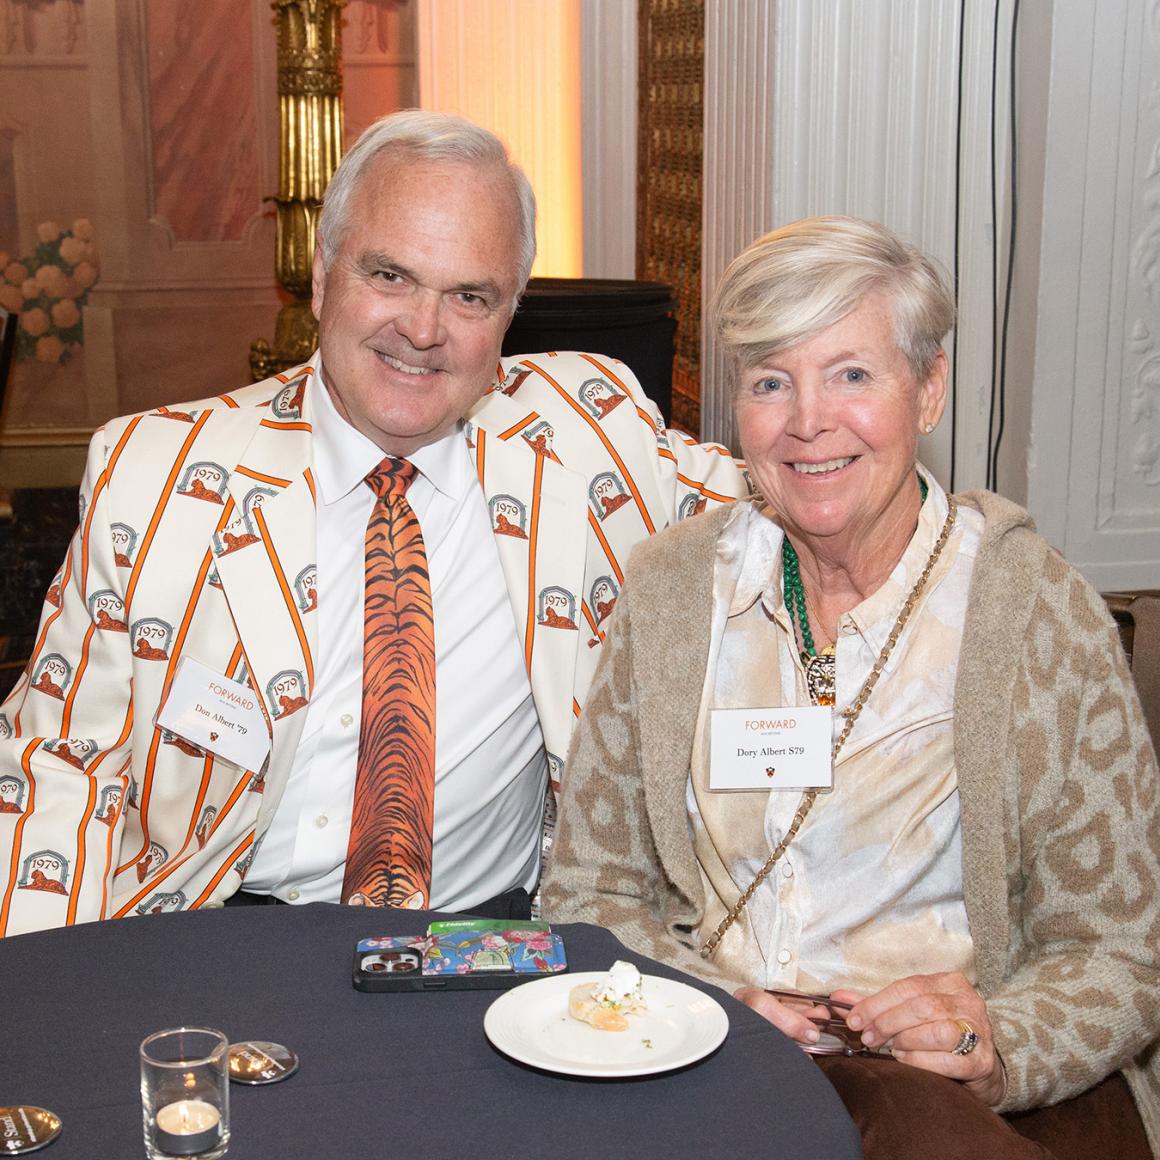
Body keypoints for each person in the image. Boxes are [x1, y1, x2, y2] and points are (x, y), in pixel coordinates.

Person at [0, 110, 748, 936]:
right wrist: (44, 1013)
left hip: (484, 950)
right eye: (389, 276)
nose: (422, 331)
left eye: (469, 296)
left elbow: (805, 506)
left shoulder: (588, 429)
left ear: (509, 317)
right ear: (322, 276)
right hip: (220, 936)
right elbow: (57, 766)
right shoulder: (155, 472)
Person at [542, 216, 1160, 1159]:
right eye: (769, 382)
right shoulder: (675, 593)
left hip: (961, 1097)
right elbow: (590, 889)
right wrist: (715, 1003)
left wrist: (994, 1043)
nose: (807, 421)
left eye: (853, 374)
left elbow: (1122, 950)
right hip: (718, 1061)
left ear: (931, 389)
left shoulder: (1034, 613)